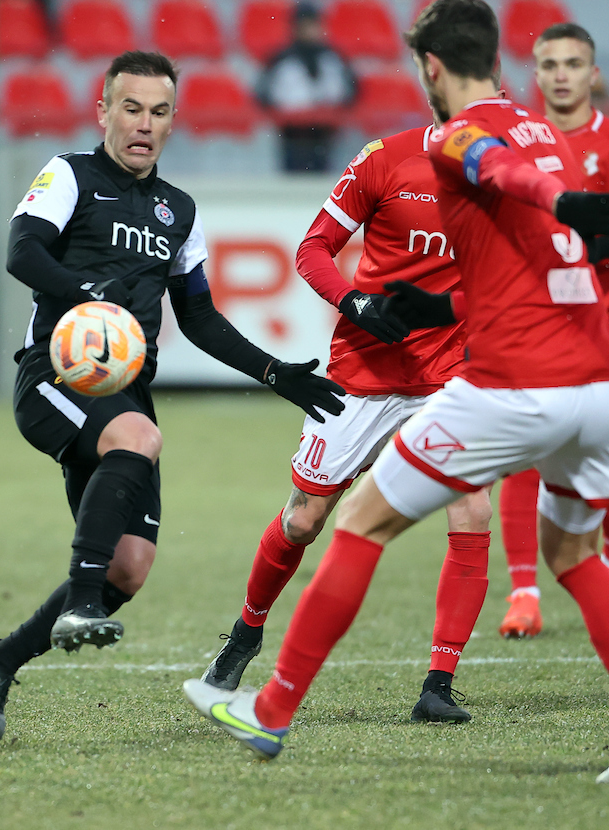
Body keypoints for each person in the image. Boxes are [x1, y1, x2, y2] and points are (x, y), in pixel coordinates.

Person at [184, 0, 609, 784]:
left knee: (362, 522)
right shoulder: (551, 136)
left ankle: (275, 709)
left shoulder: (456, 136)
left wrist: (557, 207)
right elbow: (546, 241)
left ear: (431, 67)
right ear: (502, 59)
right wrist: (416, 303)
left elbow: (488, 164)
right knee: (570, 553)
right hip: (597, 381)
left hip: (507, 379)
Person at [0, 51, 345, 742]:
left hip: (124, 392)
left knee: (130, 569)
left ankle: (0, 660)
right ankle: (80, 603)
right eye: (131, 108)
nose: (144, 124)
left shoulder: (179, 210)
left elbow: (197, 317)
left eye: (159, 112)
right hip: (55, 375)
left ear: (173, 121)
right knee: (139, 440)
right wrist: (85, 292)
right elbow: (22, 251)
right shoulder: (70, 175)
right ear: (103, 112)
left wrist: (273, 372)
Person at [199, 111, 496, 722]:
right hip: (363, 373)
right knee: (303, 521)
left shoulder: (503, 173)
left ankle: (438, 685)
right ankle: (246, 633)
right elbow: (313, 248)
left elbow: (510, 281)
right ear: (435, 81)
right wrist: (354, 301)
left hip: (449, 376)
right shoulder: (385, 158)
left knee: (473, 509)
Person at [495, 22, 609, 639]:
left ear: (593, 73)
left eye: (573, 64)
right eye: (550, 64)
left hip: (606, 320)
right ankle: (524, 594)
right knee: (524, 450)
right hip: (536, 316)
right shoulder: (517, 142)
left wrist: (603, 246)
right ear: (536, 72)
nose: (561, 75)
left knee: (606, 455)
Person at [255, 1, 357, 173]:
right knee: (293, 174)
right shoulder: (281, 58)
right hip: (292, 133)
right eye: (305, 25)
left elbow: (351, 90)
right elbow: (263, 93)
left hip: (325, 133)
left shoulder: (332, 57)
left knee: (323, 173)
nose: (310, 30)